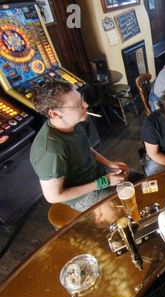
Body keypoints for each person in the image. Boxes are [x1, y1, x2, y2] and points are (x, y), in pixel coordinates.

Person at [29, 78, 144, 212]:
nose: (86, 105)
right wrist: (103, 182)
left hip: (98, 174)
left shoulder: (76, 122)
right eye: (78, 105)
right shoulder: (50, 151)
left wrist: (108, 163)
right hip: (83, 195)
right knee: (134, 205)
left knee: (144, 183)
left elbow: (83, 147)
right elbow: (53, 196)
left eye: (81, 99)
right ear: (55, 113)